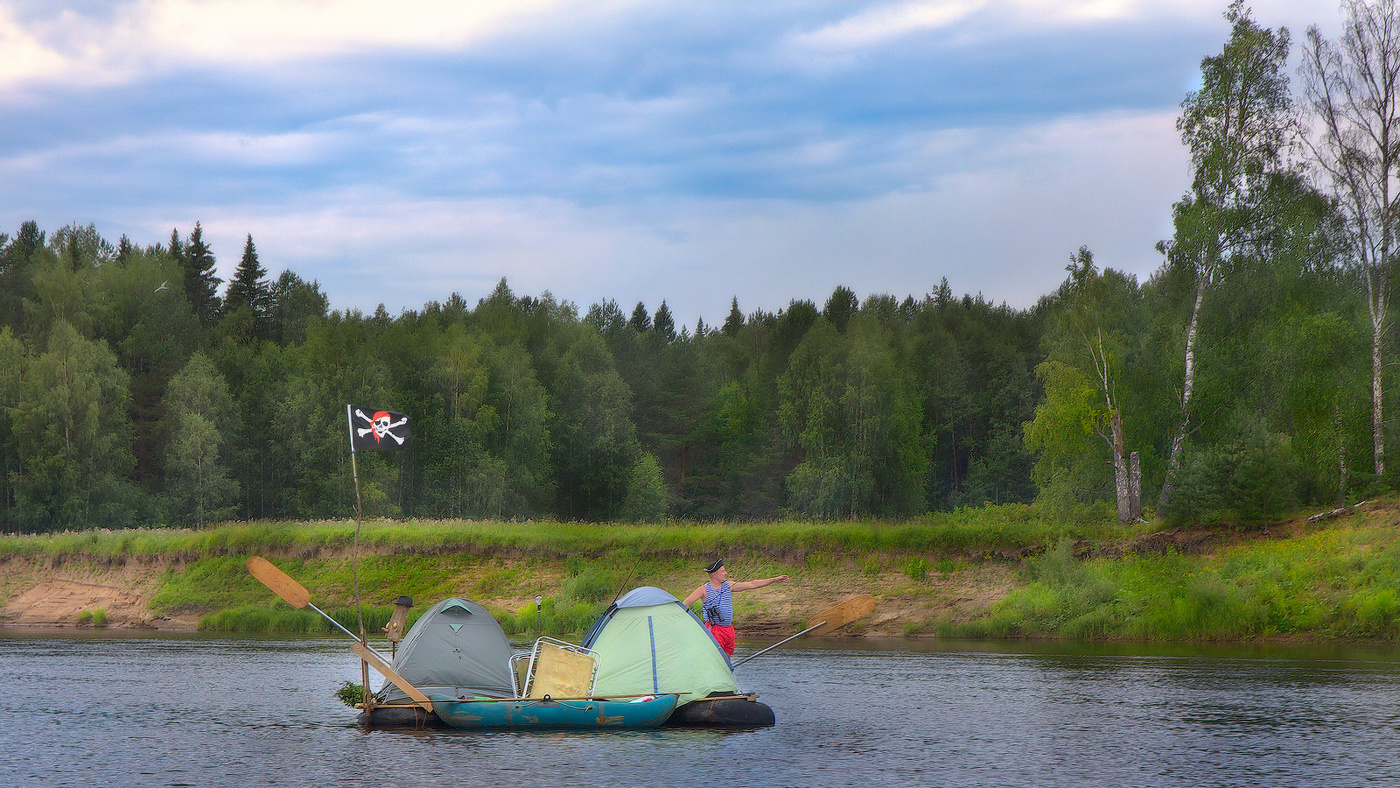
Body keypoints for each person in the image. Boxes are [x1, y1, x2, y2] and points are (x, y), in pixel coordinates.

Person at [683, 559, 789, 655]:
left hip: (728, 629)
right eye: (723, 571)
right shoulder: (703, 590)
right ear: (714, 574)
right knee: (716, 656)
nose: (726, 573)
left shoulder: (728, 586)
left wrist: (774, 579)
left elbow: (752, 584)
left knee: (728, 655)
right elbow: (686, 603)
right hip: (714, 629)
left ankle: (728, 674)